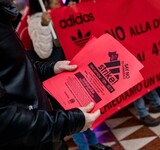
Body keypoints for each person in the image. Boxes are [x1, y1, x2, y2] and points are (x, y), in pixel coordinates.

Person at [0, 1, 100, 149]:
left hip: (45, 131)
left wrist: (52, 68)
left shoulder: (4, 19)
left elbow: (20, 66)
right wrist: (69, 122)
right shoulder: (34, 20)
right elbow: (5, 120)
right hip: (34, 135)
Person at [27, 0, 112, 149]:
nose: (58, 5)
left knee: (83, 106)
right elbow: (43, 52)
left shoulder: (64, 13)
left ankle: (94, 143)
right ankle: (83, 147)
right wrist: (44, 25)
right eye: (54, 2)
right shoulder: (36, 22)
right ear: (45, 5)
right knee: (70, 110)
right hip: (55, 72)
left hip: (70, 66)